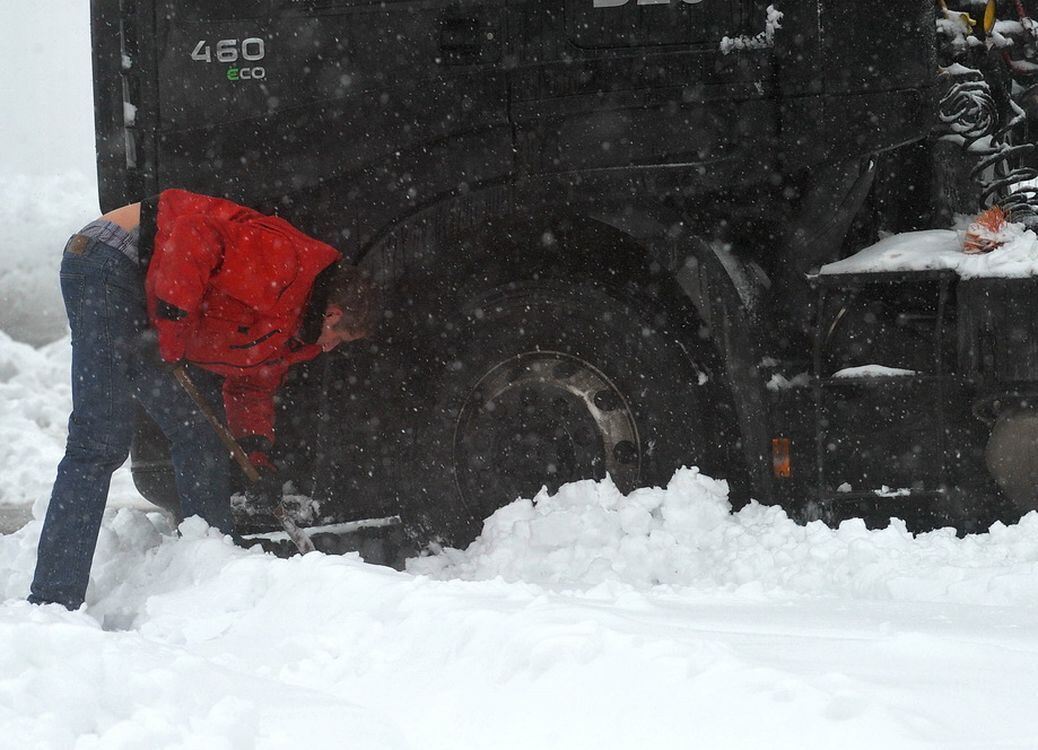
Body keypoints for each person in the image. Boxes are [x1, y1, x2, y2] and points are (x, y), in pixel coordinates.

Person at [29, 189, 378, 610]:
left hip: (150, 296)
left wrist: (257, 455)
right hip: (113, 260)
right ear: (333, 315)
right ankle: (52, 602)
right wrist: (172, 330)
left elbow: (252, 384)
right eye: (338, 338)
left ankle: (206, 587)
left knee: (200, 437)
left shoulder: (296, 333)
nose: (330, 348)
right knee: (100, 438)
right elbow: (193, 237)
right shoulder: (287, 264)